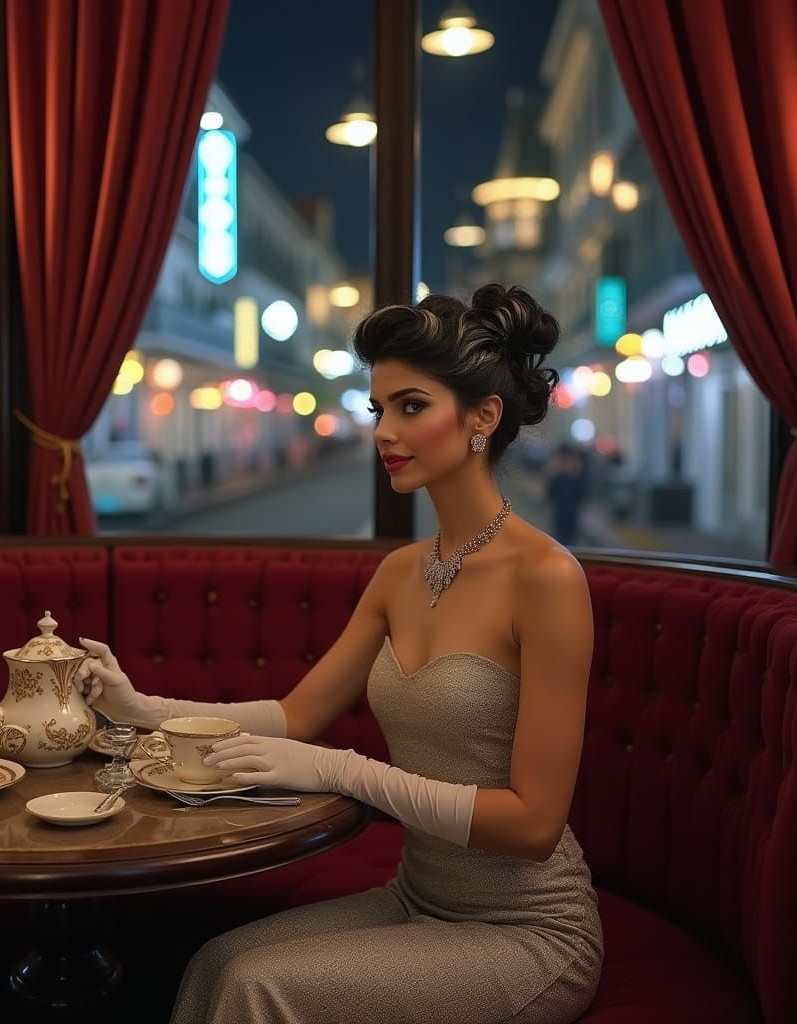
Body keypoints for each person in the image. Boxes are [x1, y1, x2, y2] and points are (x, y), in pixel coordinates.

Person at [76, 284, 603, 1024]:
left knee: (256, 987)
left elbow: (533, 824)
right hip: (418, 899)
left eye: (410, 406)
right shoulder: (399, 572)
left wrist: (341, 770)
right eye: (378, 409)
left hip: (528, 931)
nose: (384, 430)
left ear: (483, 417)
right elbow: (297, 714)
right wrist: (143, 709)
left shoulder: (546, 578)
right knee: (217, 963)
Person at [545, 442, 588, 544]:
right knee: (565, 537)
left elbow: (550, 494)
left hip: (566, 511)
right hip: (566, 511)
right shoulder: (573, 472)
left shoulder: (561, 473)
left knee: (564, 537)